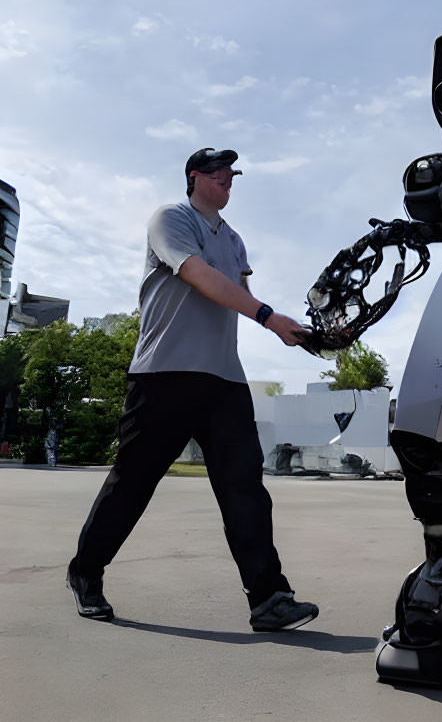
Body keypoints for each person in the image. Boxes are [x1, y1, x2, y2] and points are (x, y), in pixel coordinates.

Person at [66, 147, 318, 631]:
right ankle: (86, 572)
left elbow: (237, 296)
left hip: (223, 379)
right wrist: (269, 318)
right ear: (195, 176)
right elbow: (202, 278)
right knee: (133, 482)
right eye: (220, 171)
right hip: (164, 374)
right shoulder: (171, 219)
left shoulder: (236, 241)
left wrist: (309, 337)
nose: (229, 179)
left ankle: (268, 598)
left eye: (233, 174)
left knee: (245, 487)